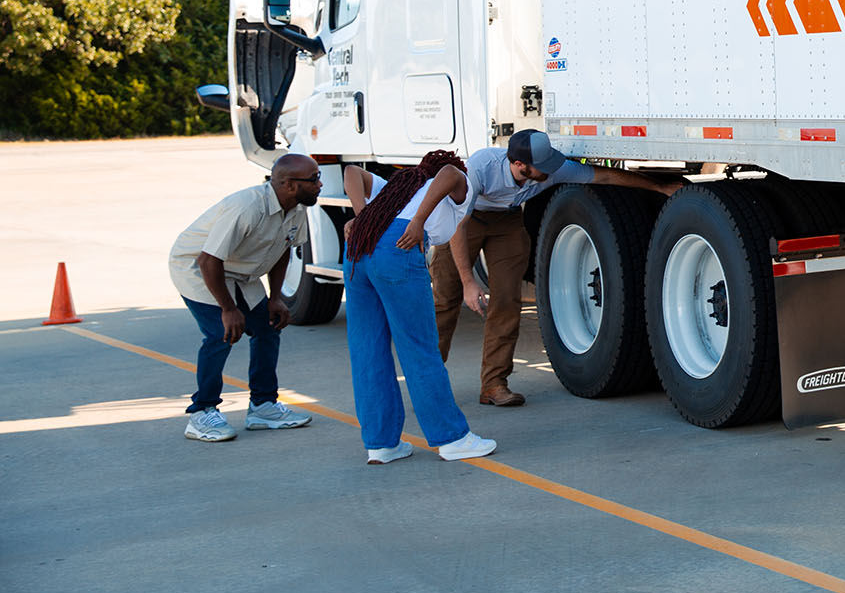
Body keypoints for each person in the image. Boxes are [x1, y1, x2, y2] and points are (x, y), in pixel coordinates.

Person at [434, 129, 677, 407]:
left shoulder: (551, 168)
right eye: (543, 166)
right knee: (445, 301)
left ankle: (494, 384)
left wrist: (659, 187)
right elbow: (457, 226)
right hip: (464, 222)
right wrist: (469, 282)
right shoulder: (480, 167)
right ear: (519, 165)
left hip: (507, 223)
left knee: (507, 302)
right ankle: (428, 381)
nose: (551, 172)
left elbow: (607, 176)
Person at [341, 150, 496, 463]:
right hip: (398, 247)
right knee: (419, 348)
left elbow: (352, 172)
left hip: (358, 251)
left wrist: (361, 217)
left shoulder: (399, 187)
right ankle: (452, 439)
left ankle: (381, 445)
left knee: (368, 350)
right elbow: (451, 172)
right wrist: (419, 220)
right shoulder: (456, 184)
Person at [167, 154, 321, 441]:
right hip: (198, 267)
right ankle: (201, 413)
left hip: (238, 270)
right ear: (288, 184)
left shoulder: (296, 209)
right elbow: (208, 260)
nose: (320, 184)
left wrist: (276, 298)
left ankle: (263, 406)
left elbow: (282, 251)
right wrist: (228, 308)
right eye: (313, 179)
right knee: (220, 333)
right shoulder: (247, 208)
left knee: (267, 327)